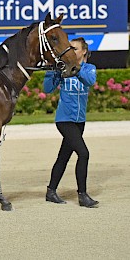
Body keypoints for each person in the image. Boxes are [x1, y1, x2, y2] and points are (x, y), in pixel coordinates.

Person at [43, 37, 99, 208]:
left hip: (79, 121)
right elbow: (47, 88)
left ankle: (51, 191)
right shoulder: (63, 68)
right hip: (64, 120)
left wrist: (76, 68)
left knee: (64, 156)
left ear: (83, 51)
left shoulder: (89, 68)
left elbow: (90, 81)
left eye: (74, 48)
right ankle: (82, 195)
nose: (71, 51)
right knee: (84, 153)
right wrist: (54, 71)